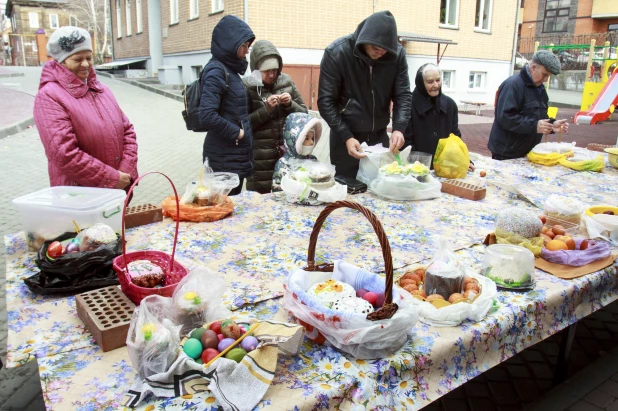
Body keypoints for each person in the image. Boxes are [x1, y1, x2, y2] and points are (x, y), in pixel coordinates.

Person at [33, 26, 138, 189]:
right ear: (62, 62)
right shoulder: (49, 96)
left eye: (89, 58)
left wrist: (125, 172)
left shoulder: (101, 89)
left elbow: (128, 131)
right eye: (77, 59)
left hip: (116, 190)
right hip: (80, 197)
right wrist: (111, 179)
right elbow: (64, 154)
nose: (85, 64)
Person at [318, 10, 412, 177]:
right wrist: (346, 136)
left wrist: (399, 129)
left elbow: (403, 95)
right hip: (346, 136)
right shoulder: (337, 53)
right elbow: (325, 101)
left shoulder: (396, 55)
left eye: (385, 51)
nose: (380, 53)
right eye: (376, 48)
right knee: (348, 191)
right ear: (364, 40)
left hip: (379, 136)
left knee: (380, 185)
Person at [199, 15, 255, 196]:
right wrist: (237, 133)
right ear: (231, 44)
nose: (247, 51)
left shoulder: (230, 69)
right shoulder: (217, 71)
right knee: (223, 213)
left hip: (233, 157)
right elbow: (207, 115)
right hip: (224, 159)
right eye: (244, 45)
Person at [243, 40, 308, 194]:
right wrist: (267, 110)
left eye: (275, 70)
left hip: (287, 155)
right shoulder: (247, 86)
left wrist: (290, 104)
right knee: (260, 201)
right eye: (267, 71)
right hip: (260, 158)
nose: (272, 75)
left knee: (287, 196)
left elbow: (304, 114)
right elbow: (243, 124)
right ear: (256, 70)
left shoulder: (286, 81)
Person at [488, 50, 569, 160]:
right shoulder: (512, 85)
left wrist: (552, 125)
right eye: (544, 75)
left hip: (529, 151)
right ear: (533, 68)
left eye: (548, 76)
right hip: (507, 152)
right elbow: (505, 117)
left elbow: (539, 117)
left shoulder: (539, 87)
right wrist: (534, 126)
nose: (545, 80)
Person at [404, 63, 473, 169]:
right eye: (430, 82)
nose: (435, 85)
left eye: (438, 80)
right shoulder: (408, 105)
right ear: (421, 83)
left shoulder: (450, 105)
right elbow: (407, 143)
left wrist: (464, 160)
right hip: (417, 169)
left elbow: (455, 138)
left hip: (444, 167)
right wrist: (419, 168)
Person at [272, 113, 322, 192]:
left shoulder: (313, 160)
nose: (312, 142)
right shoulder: (284, 163)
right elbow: (277, 189)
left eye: (313, 138)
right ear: (295, 138)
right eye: (306, 138)